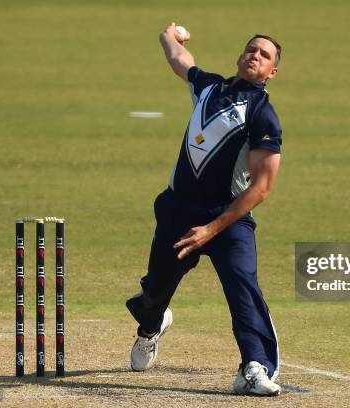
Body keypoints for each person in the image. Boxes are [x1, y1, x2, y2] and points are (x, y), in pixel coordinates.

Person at [126, 22, 283, 396]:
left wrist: (212, 228)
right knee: (154, 294)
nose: (254, 56)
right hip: (178, 213)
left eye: (264, 55)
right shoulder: (209, 87)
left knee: (244, 289)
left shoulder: (262, 113)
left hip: (229, 220)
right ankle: (151, 326)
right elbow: (180, 60)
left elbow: (262, 187)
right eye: (251, 49)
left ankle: (254, 367)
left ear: (271, 72)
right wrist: (168, 36)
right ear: (240, 55)